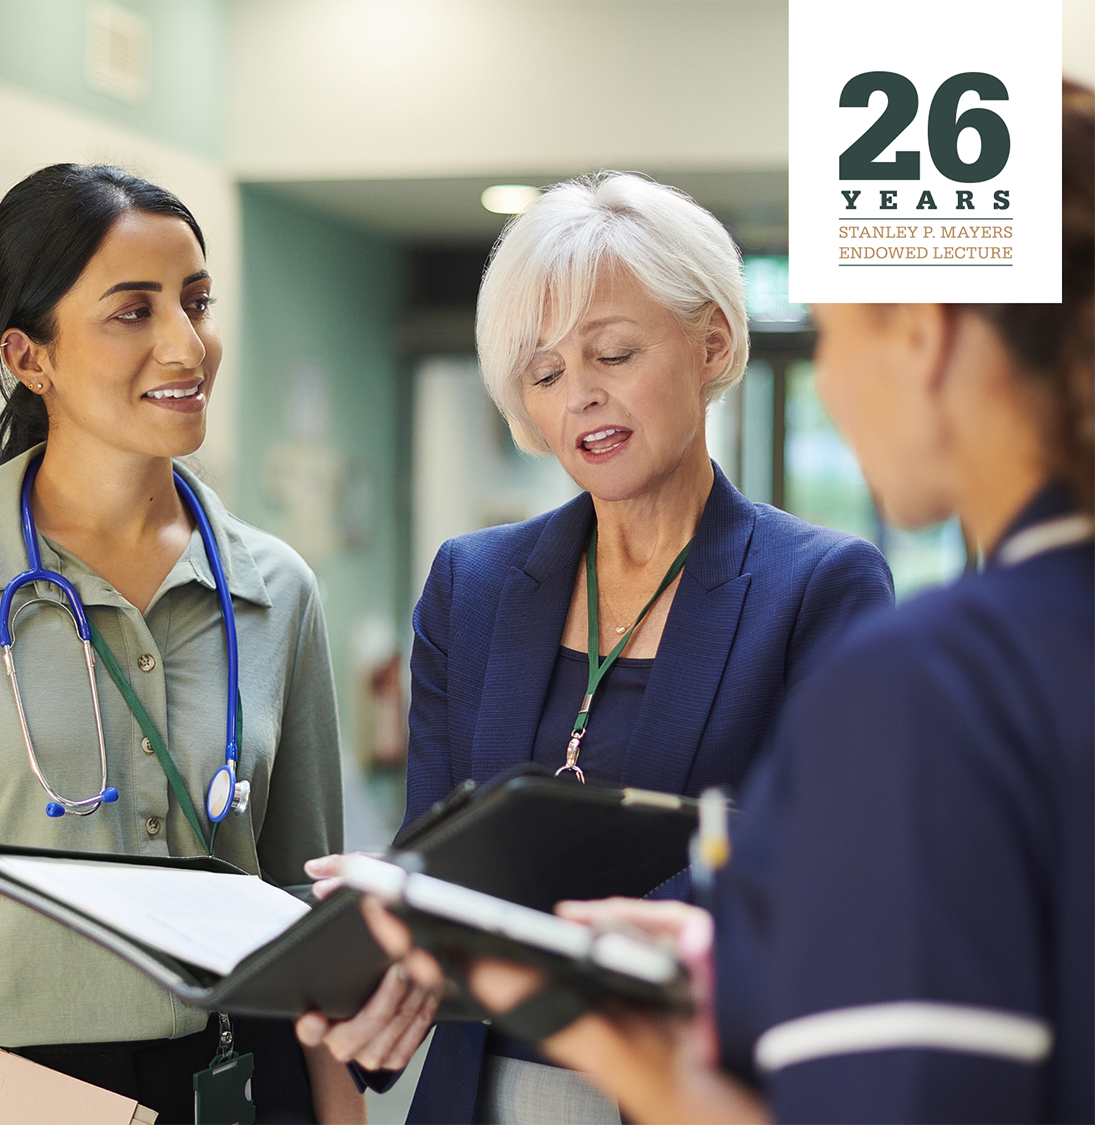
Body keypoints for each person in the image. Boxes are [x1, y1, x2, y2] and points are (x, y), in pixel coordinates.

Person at [388, 77, 1095, 1125]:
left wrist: (624, 1015)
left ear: (924, 334)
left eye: (838, 332)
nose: (835, 385)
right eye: (544, 372)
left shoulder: (939, 668)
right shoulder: (476, 582)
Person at [297, 173, 895, 1125]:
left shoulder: (820, 585)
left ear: (712, 342)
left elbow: (812, 855)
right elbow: (432, 850)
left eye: (613, 352)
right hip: (479, 1091)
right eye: (544, 375)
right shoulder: (473, 584)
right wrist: (383, 946)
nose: (582, 396)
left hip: (692, 1087)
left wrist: (540, 945)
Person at [0, 164, 364, 1125]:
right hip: (3, 1089)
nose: (187, 344)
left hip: (238, 1079)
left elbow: (307, 911)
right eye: (132, 312)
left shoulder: (275, 590)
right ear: (30, 356)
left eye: (197, 301)